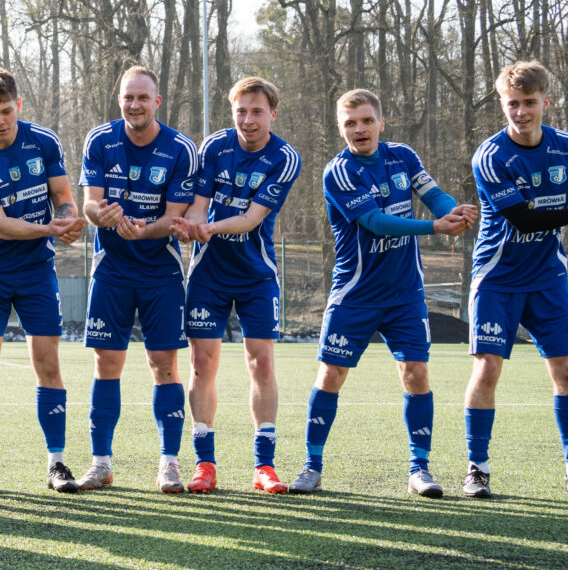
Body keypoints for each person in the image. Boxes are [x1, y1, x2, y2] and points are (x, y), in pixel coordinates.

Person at [287, 89, 477, 497]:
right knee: (331, 375)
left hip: (405, 294)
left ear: (381, 123)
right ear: (341, 129)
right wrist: (434, 227)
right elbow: (374, 222)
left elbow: (432, 193)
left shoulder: (402, 156)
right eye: (350, 123)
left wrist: (450, 210)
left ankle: (419, 469)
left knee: (416, 373)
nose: (359, 129)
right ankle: (312, 466)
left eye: (367, 121)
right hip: (354, 294)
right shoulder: (338, 172)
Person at [465, 61, 568, 500]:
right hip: (497, 278)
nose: (521, 112)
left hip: (548, 278)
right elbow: (523, 219)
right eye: (512, 103)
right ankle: (477, 468)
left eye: (529, 103)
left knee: (567, 369)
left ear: (545, 103)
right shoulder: (491, 156)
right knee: (487, 368)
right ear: (502, 104)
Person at [0, 68, 87, 493]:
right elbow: (0, 224)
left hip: (36, 270)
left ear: (18, 106)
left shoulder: (44, 141)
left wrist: (66, 219)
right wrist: (51, 229)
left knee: (48, 363)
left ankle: (57, 463)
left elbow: (63, 197)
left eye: (6, 111)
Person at [173, 76, 301, 494]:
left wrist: (207, 228)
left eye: (257, 111)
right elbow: (198, 205)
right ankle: (204, 464)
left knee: (261, 363)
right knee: (202, 364)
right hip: (208, 274)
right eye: (240, 111)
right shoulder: (214, 146)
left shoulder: (285, 158)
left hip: (256, 275)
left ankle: (264, 466)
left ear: (272, 114)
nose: (248, 120)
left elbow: (249, 219)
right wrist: (192, 223)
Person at [75, 66, 198, 493]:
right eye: (128, 97)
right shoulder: (99, 140)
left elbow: (176, 217)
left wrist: (145, 230)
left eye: (143, 97)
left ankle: (169, 464)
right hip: (112, 267)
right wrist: (102, 215)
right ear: (120, 100)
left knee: (163, 364)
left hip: (161, 270)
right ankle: (101, 464)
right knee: (106, 362)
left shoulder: (180, 148)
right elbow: (89, 205)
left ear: (157, 102)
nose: (135, 105)